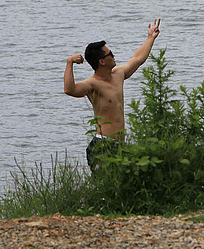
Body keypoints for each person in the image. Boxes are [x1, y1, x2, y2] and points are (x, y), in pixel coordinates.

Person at [64, 18, 161, 167]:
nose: (114, 56)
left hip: (120, 146)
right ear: (102, 61)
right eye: (110, 54)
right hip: (103, 145)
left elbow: (138, 59)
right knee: (106, 186)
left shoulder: (118, 74)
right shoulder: (92, 84)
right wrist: (70, 62)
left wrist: (150, 38)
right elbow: (69, 90)